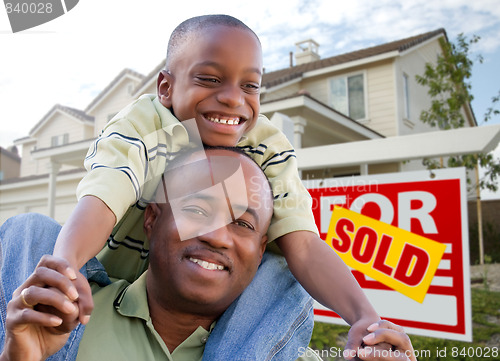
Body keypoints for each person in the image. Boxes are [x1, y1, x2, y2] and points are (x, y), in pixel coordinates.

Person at [44, 14, 378, 358]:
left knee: (282, 267)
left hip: (215, 301)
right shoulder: (143, 125)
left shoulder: (266, 147)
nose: (233, 98)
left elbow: (305, 246)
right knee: (33, 233)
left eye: (250, 86)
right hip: (109, 282)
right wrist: (65, 268)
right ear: (166, 88)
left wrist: (365, 319)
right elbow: (103, 197)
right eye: (209, 79)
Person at [0, 148, 416, 361]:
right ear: (152, 221)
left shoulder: (282, 352)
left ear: (261, 253)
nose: (219, 236)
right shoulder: (48, 322)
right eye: (197, 209)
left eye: (244, 224)